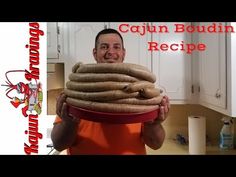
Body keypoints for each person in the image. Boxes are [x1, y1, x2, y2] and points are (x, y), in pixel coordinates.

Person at [51, 28, 170, 155]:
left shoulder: (141, 94)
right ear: (95, 53)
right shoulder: (77, 91)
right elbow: (59, 144)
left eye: (116, 47)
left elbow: (155, 144)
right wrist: (68, 124)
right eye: (104, 47)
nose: (110, 52)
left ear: (123, 53)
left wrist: (153, 125)